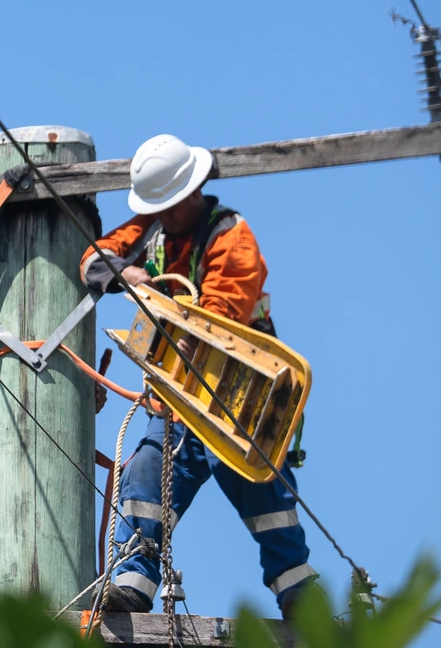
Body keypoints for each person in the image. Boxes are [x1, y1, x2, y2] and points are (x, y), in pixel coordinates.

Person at [81, 134, 317, 620]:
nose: (163, 214)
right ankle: (132, 581)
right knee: (146, 470)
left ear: (193, 191)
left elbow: (222, 310)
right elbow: (95, 257)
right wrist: (125, 274)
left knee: (263, 486)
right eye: (158, 207)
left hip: (234, 394)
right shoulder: (150, 232)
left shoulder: (229, 234)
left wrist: (185, 330)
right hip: (175, 396)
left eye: (169, 205)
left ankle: (297, 590)